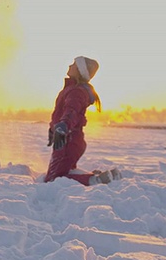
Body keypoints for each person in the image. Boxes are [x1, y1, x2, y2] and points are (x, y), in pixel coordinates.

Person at [44, 56, 119, 185]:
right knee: (64, 171)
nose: (70, 65)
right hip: (70, 139)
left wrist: (63, 127)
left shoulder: (76, 92)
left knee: (53, 180)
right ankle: (106, 176)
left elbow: (71, 111)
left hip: (68, 140)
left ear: (79, 70)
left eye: (73, 64)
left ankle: (95, 180)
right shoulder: (73, 89)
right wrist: (53, 130)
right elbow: (62, 113)